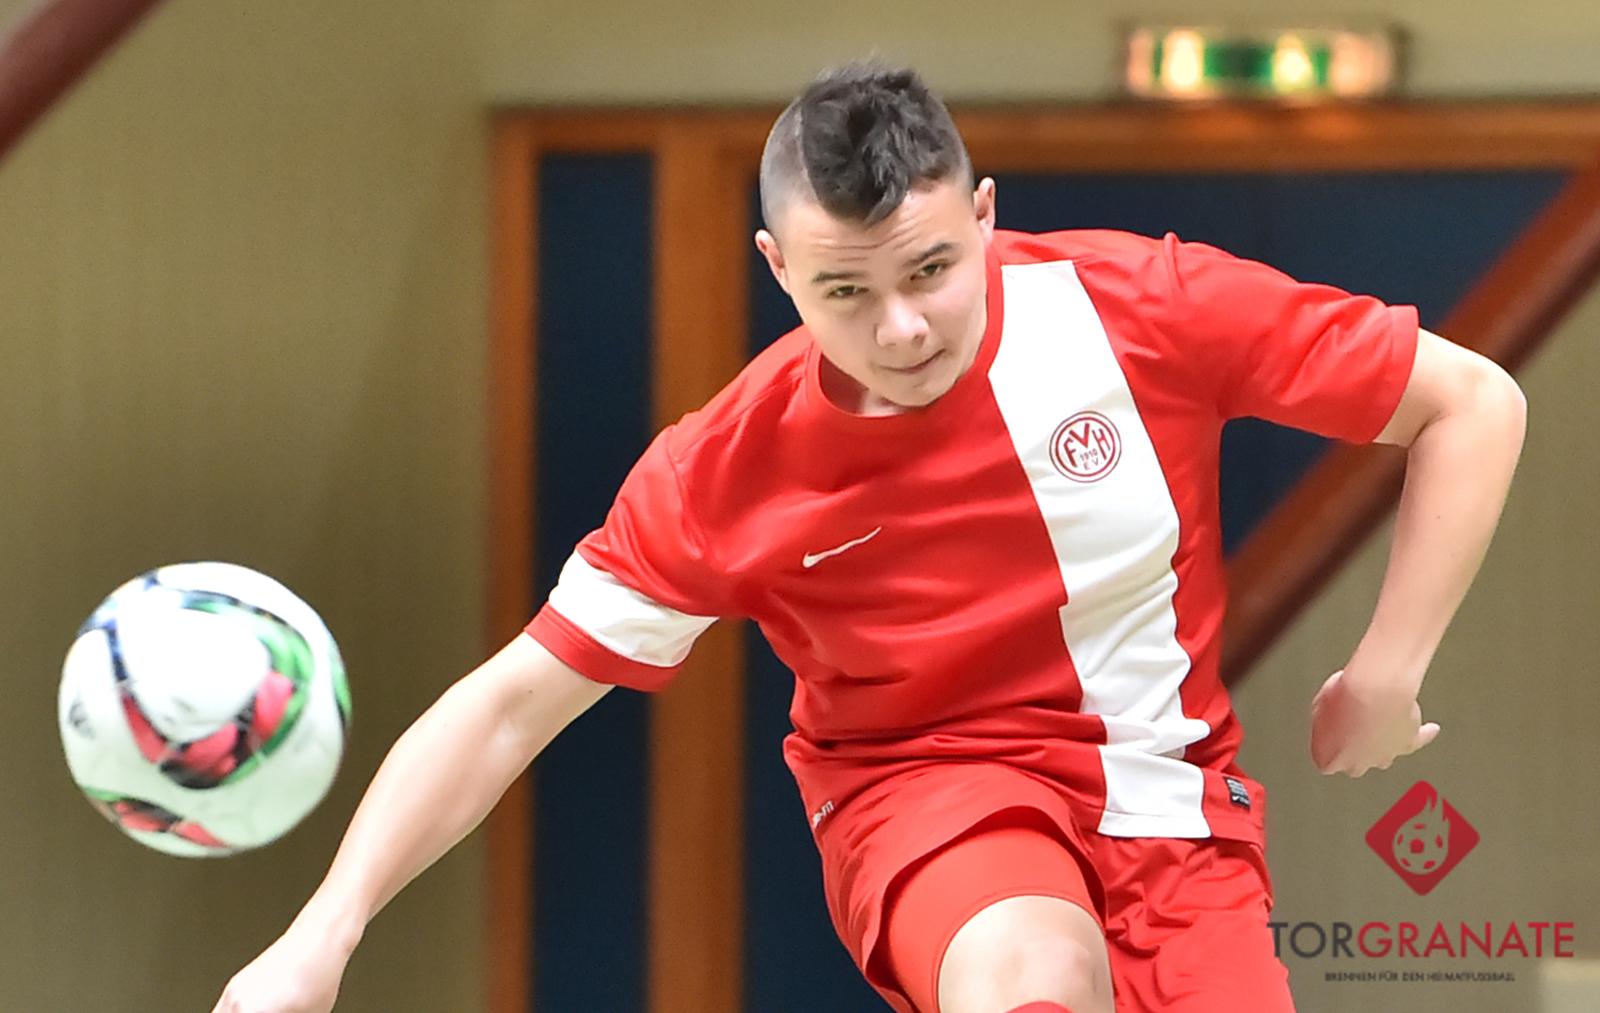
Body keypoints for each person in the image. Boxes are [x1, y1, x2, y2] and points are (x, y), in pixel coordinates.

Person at [213, 61, 1526, 1013]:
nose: (901, 328)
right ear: (778, 268)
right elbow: (511, 705)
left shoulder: (1145, 308)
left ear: (986, 215)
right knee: (1036, 975)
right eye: (846, 289)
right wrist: (322, 935)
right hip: (926, 793)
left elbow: (1471, 402)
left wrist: (1389, 669)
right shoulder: (729, 468)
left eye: (932, 270)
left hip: (1176, 807)